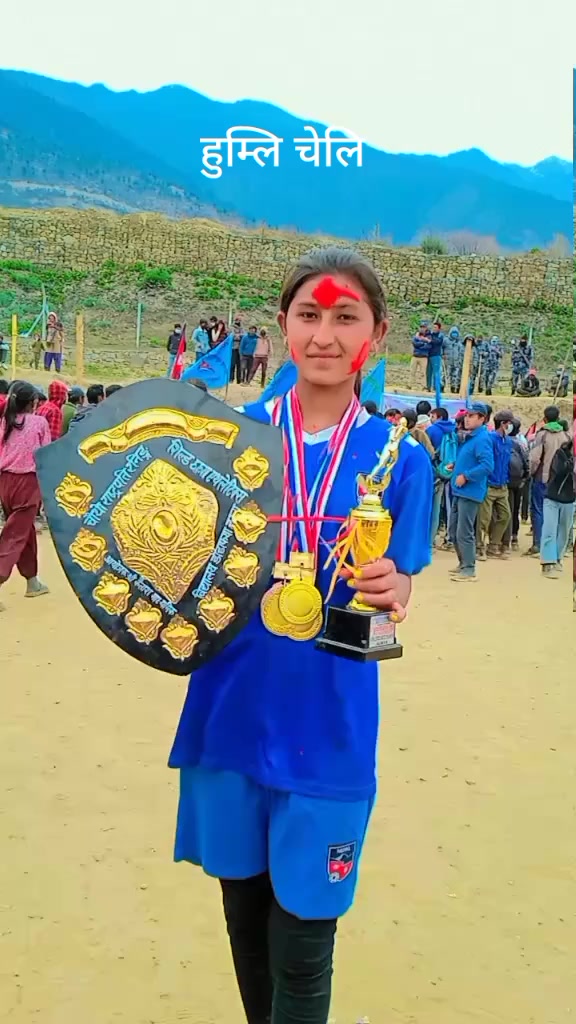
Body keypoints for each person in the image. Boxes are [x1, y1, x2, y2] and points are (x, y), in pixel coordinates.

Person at [169, 245, 433, 1024]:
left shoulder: (400, 458)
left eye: (345, 317)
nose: (324, 334)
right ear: (281, 325)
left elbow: (399, 581)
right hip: (229, 716)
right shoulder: (228, 442)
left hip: (329, 729)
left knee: (305, 946)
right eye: (309, 314)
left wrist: (398, 588)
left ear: (376, 334)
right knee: (245, 924)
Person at [0, 381, 51, 610]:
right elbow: (45, 454)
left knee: (23, 530)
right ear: (33, 402)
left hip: (5, 482)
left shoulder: (6, 421)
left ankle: (32, 581)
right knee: (14, 535)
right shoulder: (39, 422)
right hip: (27, 482)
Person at [448, 402, 494, 582]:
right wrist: (456, 466)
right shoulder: (471, 437)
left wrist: (466, 476)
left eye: (472, 416)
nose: (467, 419)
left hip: (470, 491)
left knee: (464, 532)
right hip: (459, 490)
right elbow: (472, 459)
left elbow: (487, 465)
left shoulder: (482, 439)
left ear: (482, 418)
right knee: (453, 531)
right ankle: (463, 563)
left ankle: (469, 568)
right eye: (467, 415)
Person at [526, 405, 571, 556]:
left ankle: (538, 545)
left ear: (545, 418)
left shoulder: (542, 434)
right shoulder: (566, 435)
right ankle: (554, 547)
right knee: (556, 512)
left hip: (543, 478)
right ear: (558, 418)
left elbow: (534, 458)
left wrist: (531, 472)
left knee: (538, 510)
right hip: (560, 481)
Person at [477, 410, 514, 560]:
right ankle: (479, 548)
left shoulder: (508, 441)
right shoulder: (490, 439)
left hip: (502, 485)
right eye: (509, 423)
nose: (511, 426)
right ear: (503, 423)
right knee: (484, 519)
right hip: (489, 485)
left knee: (505, 516)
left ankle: (494, 545)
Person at [538, 433, 574, 579]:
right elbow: (558, 471)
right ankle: (547, 563)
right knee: (549, 529)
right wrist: (570, 464)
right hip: (552, 498)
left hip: (570, 500)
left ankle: (558, 558)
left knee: (564, 532)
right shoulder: (560, 453)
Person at [428, 407, 457, 549]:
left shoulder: (432, 430)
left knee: (430, 508)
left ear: (438, 417)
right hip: (448, 472)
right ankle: (445, 538)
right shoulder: (453, 430)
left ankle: (428, 541)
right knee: (443, 508)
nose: (430, 419)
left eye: (432, 416)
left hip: (434, 472)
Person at [498, 418, 529, 552]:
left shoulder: (503, 441)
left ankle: (504, 542)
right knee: (515, 509)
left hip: (506, 480)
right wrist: (525, 478)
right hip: (518, 481)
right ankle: (514, 537)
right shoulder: (521, 442)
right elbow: (526, 461)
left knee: (505, 510)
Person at [410, 320, 430, 389]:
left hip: (424, 357)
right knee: (412, 371)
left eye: (424, 327)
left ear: (426, 328)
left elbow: (428, 346)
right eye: (421, 327)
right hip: (415, 355)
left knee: (423, 373)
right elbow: (414, 343)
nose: (422, 328)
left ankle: (423, 386)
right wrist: (423, 342)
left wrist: (420, 343)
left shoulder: (429, 336)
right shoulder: (416, 335)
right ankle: (410, 384)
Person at [426, 320, 444, 392]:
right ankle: (428, 387)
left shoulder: (440, 335)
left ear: (439, 328)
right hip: (429, 355)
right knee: (428, 372)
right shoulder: (430, 334)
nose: (434, 329)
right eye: (433, 327)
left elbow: (438, 341)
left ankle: (436, 387)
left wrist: (431, 340)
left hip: (436, 355)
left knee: (436, 373)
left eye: (436, 327)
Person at [445, 327, 463, 393]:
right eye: (453, 333)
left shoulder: (459, 342)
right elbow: (441, 348)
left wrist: (460, 360)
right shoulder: (446, 340)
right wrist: (442, 354)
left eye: (456, 333)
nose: (454, 334)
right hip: (447, 361)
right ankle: (442, 387)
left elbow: (461, 352)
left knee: (455, 376)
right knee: (445, 375)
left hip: (456, 362)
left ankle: (453, 388)